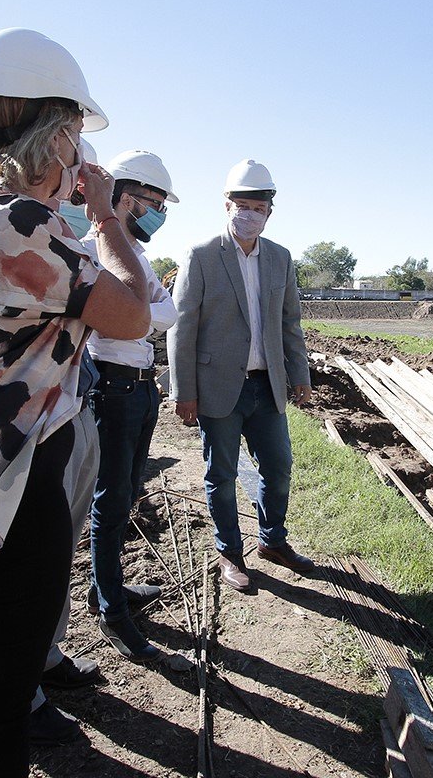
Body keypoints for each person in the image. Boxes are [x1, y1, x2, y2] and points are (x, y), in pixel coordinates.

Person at [0, 28, 149, 777]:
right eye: (73, 132)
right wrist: (105, 217)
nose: (79, 151)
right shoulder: (19, 224)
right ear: (54, 133)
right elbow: (133, 314)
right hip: (16, 483)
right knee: (3, 700)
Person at [167, 159, 313, 591]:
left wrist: (299, 373)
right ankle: (230, 552)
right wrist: (183, 390)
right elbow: (182, 326)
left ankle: (272, 540)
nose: (249, 215)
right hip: (217, 387)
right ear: (227, 205)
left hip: (266, 386)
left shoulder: (280, 258)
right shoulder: (201, 256)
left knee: (279, 467)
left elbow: (289, 322)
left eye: (258, 208)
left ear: (270, 213)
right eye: (242, 206)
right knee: (222, 475)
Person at [77, 150, 182, 662]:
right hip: (111, 388)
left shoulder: (135, 256)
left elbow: (168, 311)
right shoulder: (87, 252)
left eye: (162, 205)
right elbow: (127, 318)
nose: (157, 214)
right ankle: (111, 611)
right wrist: (141, 311)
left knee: (127, 493)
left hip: (141, 388)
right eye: (151, 203)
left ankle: (108, 589)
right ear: (120, 197)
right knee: (110, 499)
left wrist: (139, 311)